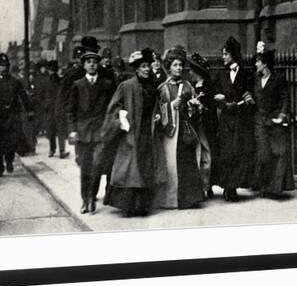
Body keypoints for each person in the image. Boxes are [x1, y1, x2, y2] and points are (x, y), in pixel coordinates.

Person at [102, 48, 167, 217]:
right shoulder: (126, 86)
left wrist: (158, 115)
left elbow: (157, 106)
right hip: (131, 132)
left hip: (148, 131)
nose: (147, 69)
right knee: (131, 169)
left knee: (146, 166)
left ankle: (143, 206)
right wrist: (121, 121)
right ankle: (129, 206)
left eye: (148, 66)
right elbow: (113, 108)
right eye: (143, 66)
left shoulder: (153, 87)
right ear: (136, 69)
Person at [67, 49, 116, 214]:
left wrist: (109, 126)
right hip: (83, 132)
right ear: (84, 65)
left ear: (98, 65)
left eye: (94, 62)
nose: (92, 65)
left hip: (101, 132)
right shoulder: (77, 85)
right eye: (88, 62)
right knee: (85, 167)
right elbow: (71, 111)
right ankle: (84, 199)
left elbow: (113, 108)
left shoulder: (107, 84)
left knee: (97, 166)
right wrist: (72, 130)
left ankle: (91, 198)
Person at [155, 46, 204, 209]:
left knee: (188, 163)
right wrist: (170, 106)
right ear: (169, 67)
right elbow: (158, 111)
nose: (179, 68)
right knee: (172, 164)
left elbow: (196, 108)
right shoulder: (163, 88)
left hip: (185, 128)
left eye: (180, 65)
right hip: (171, 132)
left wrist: (194, 106)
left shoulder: (188, 85)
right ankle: (172, 200)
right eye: (175, 65)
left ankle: (191, 198)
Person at [214, 36, 255, 202]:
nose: (223, 57)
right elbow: (215, 96)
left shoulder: (246, 75)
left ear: (233, 55)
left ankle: (233, 188)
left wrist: (240, 105)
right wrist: (224, 105)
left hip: (240, 121)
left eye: (225, 54)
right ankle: (226, 187)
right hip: (225, 121)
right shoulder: (220, 75)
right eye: (222, 54)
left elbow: (250, 97)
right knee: (226, 155)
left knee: (238, 153)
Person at [252, 42, 295, 198]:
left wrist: (282, 114)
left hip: (273, 120)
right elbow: (251, 96)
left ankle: (273, 189)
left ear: (265, 64)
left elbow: (285, 98)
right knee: (263, 154)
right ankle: (262, 185)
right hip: (259, 121)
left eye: (258, 61)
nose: (255, 64)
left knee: (276, 154)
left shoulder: (278, 78)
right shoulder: (255, 79)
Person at [0, 53, 32, 176]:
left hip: (12, 116)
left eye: (6, 65)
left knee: (12, 142)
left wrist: (29, 110)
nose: (4, 68)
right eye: (1, 66)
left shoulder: (15, 82)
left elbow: (23, 96)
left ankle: (9, 161)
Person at [187, 52, 218, 199]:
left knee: (206, 153)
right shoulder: (192, 86)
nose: (189, 73)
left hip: (206, 124)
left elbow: (212, 107)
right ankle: (199, 186)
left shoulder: (208, 86)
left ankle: (206, 185)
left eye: (192, 70)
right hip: (195, 124)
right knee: (197, 154)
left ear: (197, 71)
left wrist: (201, 108)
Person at [44, 60, 69, 158]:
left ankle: (55, 150)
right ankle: (58, 150)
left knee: (55, 130)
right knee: (56, 130)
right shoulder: (58, 81)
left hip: (55, 108)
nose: (52, 72)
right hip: (54, 108)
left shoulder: (54, 81)